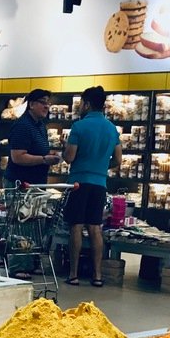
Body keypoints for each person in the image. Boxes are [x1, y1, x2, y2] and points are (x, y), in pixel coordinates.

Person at [63, 85, 121, 287]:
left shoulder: (79, 127)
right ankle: (97, 276)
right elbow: (118, 160)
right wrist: (102, 167)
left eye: (81, 103)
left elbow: (70, 157)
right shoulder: (112, 129)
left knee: (76, 226)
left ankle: (73, 274)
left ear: (87, 104)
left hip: (78, 183)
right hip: (100, 183)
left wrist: (64, 152)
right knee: (95, 228)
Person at [4, 88, 59, 187]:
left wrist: (49, 155)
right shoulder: (22, 125)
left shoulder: (40, 125)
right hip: (21, 184)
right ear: (31, 104)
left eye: (48, 103)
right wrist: (44, 159)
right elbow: (18, 157)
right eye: (43, 102)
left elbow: (34, 150)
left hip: (36, 183)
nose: (46, 106)